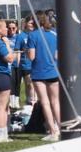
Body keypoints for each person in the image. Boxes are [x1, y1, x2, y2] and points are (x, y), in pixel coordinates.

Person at [28, 11, 61, 141]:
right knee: (55, 101)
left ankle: (53, 131)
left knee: (45, 102)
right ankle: (62, 128)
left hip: (39, 72)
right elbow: (57, 55)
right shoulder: (54, 34)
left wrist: (26, 51)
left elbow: (31, 56)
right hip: (53, 71)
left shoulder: (33, 35)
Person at [0, 19, 17, 143]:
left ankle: (1, 132)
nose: (7, 29)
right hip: (1, 75)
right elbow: (9, 58)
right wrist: (7, 45)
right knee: (2, 107)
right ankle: (1, 134)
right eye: (5, 27)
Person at [18, 16, 36, 106]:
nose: (32, 25)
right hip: (26, 64)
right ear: (26, 24)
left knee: (34, 84)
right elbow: (17, 50)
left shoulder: (36, 34)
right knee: (29, 84)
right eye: (30, 23)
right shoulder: (21, 36)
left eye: (33, 23)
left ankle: (33, 101)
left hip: (36, 64)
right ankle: (30, 101)